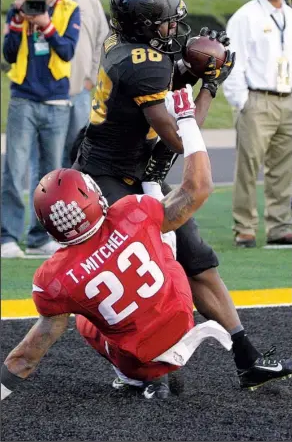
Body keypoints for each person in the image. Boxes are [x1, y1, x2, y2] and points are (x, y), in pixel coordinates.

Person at [72, 0, 290, 388]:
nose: (174, 28)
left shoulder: (135, 52)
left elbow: (164, 82)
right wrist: (209, 85)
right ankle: (131, 368)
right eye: (167, 22)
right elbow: (181, 137)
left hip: (141, 172)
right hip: (109, 178)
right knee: (139, 275)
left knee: (199, 263)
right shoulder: (141, 64)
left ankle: (247, 359)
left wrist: (187, 70)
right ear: (143, 25)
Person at [0, 89, 231, 401]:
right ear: (94, 195)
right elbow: (198, 188)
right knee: (159, 231)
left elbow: (26, 358)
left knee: (82, 317)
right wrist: (187, 120)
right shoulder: (132, 211)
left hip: (139, 362)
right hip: (182, 320)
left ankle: (131, 378)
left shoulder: (53, 278)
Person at [1, 0, 81, 258]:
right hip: (23, 98)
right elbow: (8, 54)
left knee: (50, 175)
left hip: (57, 101)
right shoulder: (19, 6)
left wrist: (46, 25)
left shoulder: (70, 9)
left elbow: (67, 50)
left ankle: (39, 236)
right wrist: (19, 21)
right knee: (14, 169)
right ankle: (7, 236)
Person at [223, 0, 292, 248]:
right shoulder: (246, 16)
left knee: (283, 168)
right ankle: (245, 228)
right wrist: (242, 101)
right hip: (257, 100)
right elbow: (232, 59)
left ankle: (279, 227)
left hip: (287, 100)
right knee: (248, 168)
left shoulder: (289, 14)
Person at [58, 0, 109, 167]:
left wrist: (91, 77)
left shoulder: (90, 0)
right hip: (47, 93)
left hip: (80, 90)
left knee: (76, 152)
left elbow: (103, 41)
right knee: (46, 154)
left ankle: (71, 198)